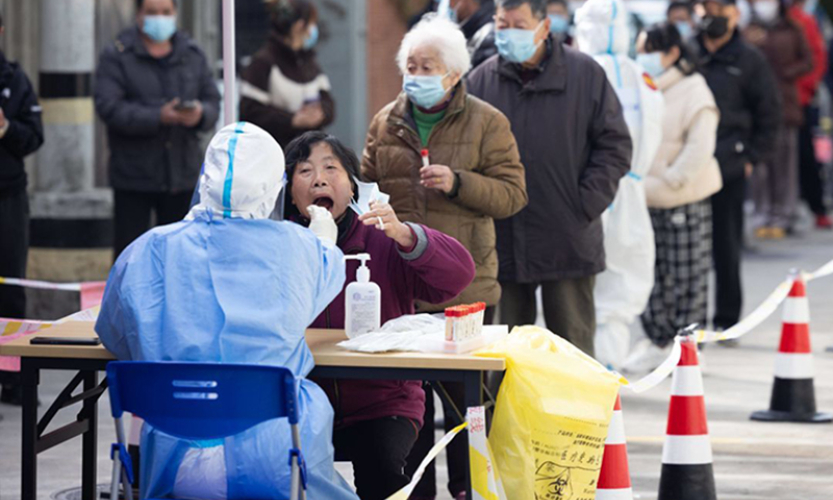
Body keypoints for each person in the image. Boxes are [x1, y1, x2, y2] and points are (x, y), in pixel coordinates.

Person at [96, 122, 358, 500]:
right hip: (275, 461)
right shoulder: (299, 248)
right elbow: (322, 284)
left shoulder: (148, 249)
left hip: (173, 460)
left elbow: (115, 335)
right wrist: (323, 242)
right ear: (275, 190)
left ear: (204, 181)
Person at [361, 16, 527, 499]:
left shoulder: (488, 122)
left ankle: (467, 489)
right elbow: (368, 185)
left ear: (454, 74)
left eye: (427, 66)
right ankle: (415, 491)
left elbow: (513, 195)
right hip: (403, 289)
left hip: (465, 290)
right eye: (410, 65)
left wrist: (459, 183)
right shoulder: (385, 122)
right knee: (406, 403)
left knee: (466, 408)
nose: (416, 74)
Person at [284, 131, 476, 500]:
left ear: (354, 187)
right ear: (290, 192)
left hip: (383, 401)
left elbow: (459, 276)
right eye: (305, 171)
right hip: (304, 400)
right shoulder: (281, 243)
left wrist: (406, 235)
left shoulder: (381, 236)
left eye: (330, 168)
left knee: (382, 472)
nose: (319, 179)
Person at [467, 0, 632, 357]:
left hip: (567, 234)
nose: (508, 32)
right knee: (503, 352)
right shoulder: (482, 79)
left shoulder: (584, 74)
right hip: (503, 237)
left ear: (543, 27)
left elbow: (615, 146)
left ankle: (578, 415)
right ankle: (502, 416)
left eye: (519, 24)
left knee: (572, 348)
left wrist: (584, 203)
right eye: (501, 23)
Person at [626, 23, 723, 371]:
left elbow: (700, 145)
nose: (643, 57)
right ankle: (656, 338)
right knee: (652, 272)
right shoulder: (641, 85)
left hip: (683, 196)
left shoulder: (693, 88)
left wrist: (674, 178)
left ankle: (685, 346)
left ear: (672, 53)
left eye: (649, 50)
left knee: (687, 274)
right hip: (646, 196)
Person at [574, 0, 664, 371]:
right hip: (630, 190)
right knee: (623, 281)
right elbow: (656, 128)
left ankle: (587, 364)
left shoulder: (579, 72)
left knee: (581, 286)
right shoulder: (641, 76)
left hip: (587, 190)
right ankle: (608, 364)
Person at [95, 0, 221, 260]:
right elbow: (109, 107)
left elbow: (212, 102)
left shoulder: (192, 53)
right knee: (131, 256)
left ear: (175, 14)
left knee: (181, 257)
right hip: (134, 177)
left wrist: (199, 115)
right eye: (152, 12)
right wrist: (158, 116)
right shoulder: (118, 55)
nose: (159, 19)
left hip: (182, 176)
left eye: (166, 12)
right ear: (139, 14)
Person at [696, 0, 780, 332]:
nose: (713, 17)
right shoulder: (688, 54)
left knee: (726, 247)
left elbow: (769, 115)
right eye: (707, 9)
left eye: (721, 10)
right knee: (687, 250)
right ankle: (688, 322)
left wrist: (751, 158)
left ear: (735, 15)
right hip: (687, 170)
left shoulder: (750, 60)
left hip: (729, 167)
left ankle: (726, 321)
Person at [0, 10, 44, 406]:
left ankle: (12, 378)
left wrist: (5, 128)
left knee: (11, 287)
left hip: (8, 197)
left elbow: (34, 137)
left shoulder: (15, 81)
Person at [745, 0, 812, 239]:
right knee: (761, 165)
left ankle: (784, 214)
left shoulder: (793, 28)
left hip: (785, 102)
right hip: (757, 105)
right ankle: (762, 213)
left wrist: (787, 73)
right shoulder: (748, 28)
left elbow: (808, 60)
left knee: (785, 162)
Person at [239, 0, 334, 148]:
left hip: (310, 152)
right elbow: (250, 112)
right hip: (274, 153)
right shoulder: (263, 62)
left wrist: (319, 115)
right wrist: (292, 120)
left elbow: (329, 104)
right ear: (299, 26)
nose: (313, 30)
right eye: (311, 23)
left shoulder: (309, 61)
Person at [789, 0, 829, 229]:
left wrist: (805, 88)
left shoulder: (803, 20)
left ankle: (817, 209)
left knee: (806, 155)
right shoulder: (757, 23)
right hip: (773, 101)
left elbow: (816, 59)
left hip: (800, 99)